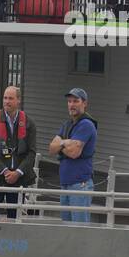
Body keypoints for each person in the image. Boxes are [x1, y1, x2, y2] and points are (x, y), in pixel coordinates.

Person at [0, 85, 37, 218]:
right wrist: (5, 171)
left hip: (19, 180)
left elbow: (32, 152)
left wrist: (17, 173)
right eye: (5, 98)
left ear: (18, 100)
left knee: (16, 218)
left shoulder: (29, 123)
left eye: (10, 98)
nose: (7, 101)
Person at [50, 88, 97, 223]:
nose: (72, 104)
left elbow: (74, 153)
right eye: (69, 101)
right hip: (65, 183)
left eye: (76, 101)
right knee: (67, 230)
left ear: (84, 103)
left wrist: (61, 142)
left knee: (79, 230)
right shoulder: (67, 124)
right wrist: (67, 143)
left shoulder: (86, 124)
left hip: (79, 184)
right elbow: (51, 148)